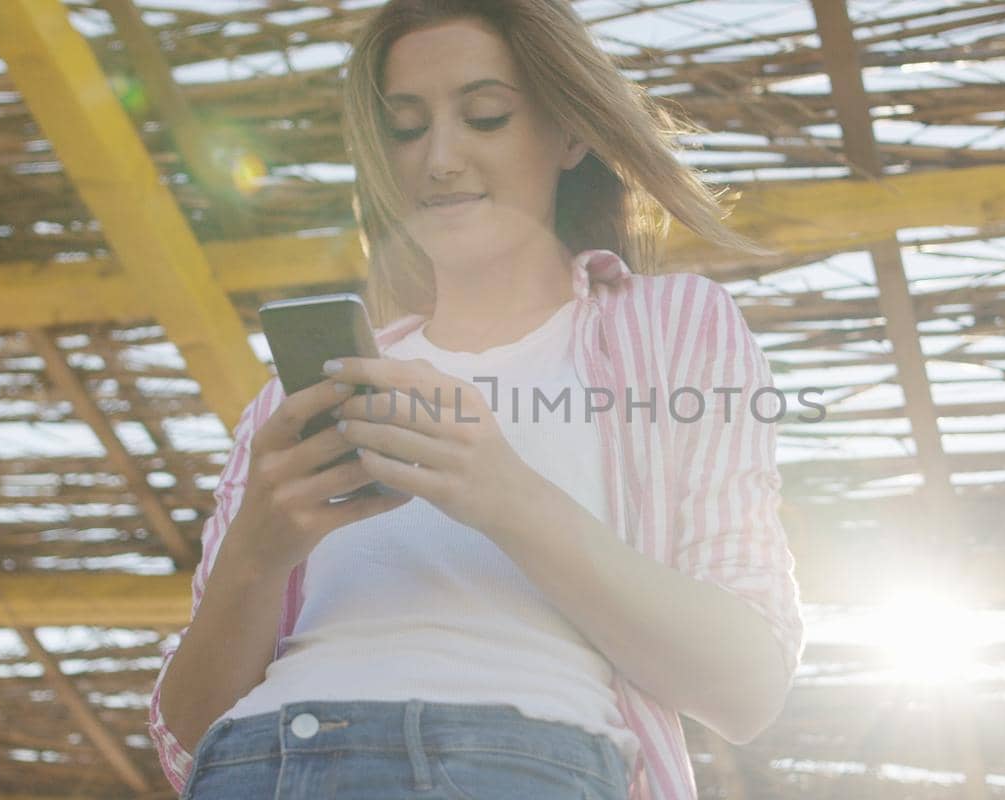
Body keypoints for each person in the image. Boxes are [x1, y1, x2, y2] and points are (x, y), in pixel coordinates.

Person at [146, 2, 805, 798]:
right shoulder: (299, 396)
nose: (440, 158)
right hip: (261, 768)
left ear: (569, 134)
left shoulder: (672, 326)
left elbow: (747, 684)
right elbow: (186, 742)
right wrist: (256, 552)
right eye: (405, 128)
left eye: (486, 116)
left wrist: (504, 494)